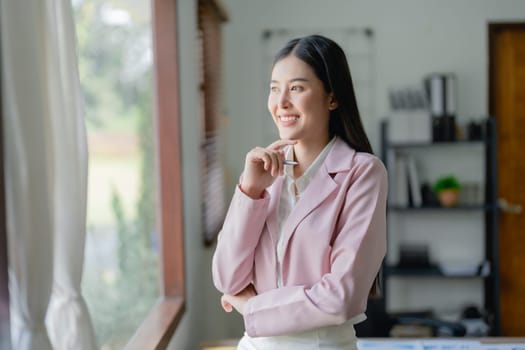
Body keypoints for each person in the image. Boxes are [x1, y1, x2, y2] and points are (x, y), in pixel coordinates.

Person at [212, 34, 387, 350]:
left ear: (332, 97)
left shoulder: (363, 172)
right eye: (274, 89)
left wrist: (251, 308)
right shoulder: (262, 173)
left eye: (296, 88)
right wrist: (250, 191)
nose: (281, 103)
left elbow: (341, 297)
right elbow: (227, 280)